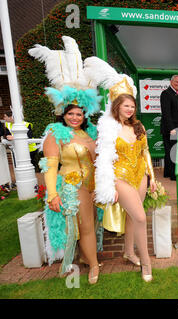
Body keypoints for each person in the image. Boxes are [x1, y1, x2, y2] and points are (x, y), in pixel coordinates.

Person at [28, 36, 103, 283]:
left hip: (93, 186)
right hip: (72, 186)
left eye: (79, 114)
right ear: (63, 114)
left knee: (90, 226)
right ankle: (94, 266)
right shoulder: (56, 133)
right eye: (70, 113)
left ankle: (85, 257)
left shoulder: (89, 132)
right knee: (86, 226)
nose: (74, 117)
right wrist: (52, 194)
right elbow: (49, 167)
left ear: (84, 114)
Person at [84, 56, 157, 283]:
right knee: (141, 217)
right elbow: (102, 159)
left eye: (132, 106)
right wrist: (106, 186)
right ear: (117, 106)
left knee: (132, 218)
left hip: (140, 176)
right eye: (126, 105)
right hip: (120, 178)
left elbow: (145, 152)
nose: (130, 109)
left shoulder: (138, 126)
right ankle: (146, 263)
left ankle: (129, 252)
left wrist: (152, 178)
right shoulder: (107, 128)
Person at [160, 75, 178, 181]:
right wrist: (171, 129)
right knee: (173, 152)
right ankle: (174, 175)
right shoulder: (166, 93)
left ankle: (168, 173)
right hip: (172, 129)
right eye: (177, 82)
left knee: (171, 151)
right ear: (171, 82)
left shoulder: (177, 95)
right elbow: (166, 113)